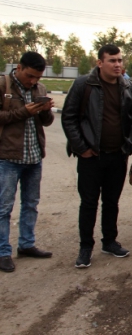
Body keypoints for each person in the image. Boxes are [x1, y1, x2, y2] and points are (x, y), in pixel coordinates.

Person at [61, 44, 132, 269]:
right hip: (90, 157)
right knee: (89, 203)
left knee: (111, 202)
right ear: (100, 63)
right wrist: (82, 148)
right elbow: (69, 118)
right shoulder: (83, 85)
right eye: (112, 61)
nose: (118, 65)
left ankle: (110, 241)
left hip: (117, 156)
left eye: (120, 60)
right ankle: (85, 247)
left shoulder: (127, 86)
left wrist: (129, 146)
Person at [0, 52, 54, 273]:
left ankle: (26, 244)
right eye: (30, 76)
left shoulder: (39, 89)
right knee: (4, 208)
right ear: (19, 68)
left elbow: (47, 123)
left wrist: (46, 111)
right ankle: (3, 252)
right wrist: (23, 112)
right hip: (8, 157)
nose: (33, 81)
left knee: (31, 204)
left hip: (33, 156)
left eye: (37, 77)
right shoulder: (3, 85)